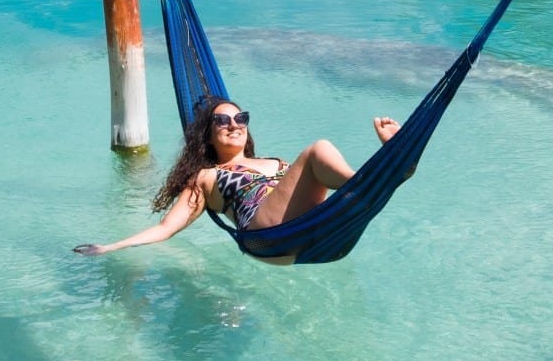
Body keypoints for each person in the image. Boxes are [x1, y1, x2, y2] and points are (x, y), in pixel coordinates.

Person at [73, 97, 403, 262]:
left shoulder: (276, 162)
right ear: (208, 136)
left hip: (317, 231)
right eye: (222, 120)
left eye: (240, 118)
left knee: (324, 163)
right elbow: (165, 228)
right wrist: (110, 247)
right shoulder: (206, 177)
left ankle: (386, 170)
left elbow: (307, 185)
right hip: (269, 237)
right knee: (319, 150)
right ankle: (384, 172)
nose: (234, 124)